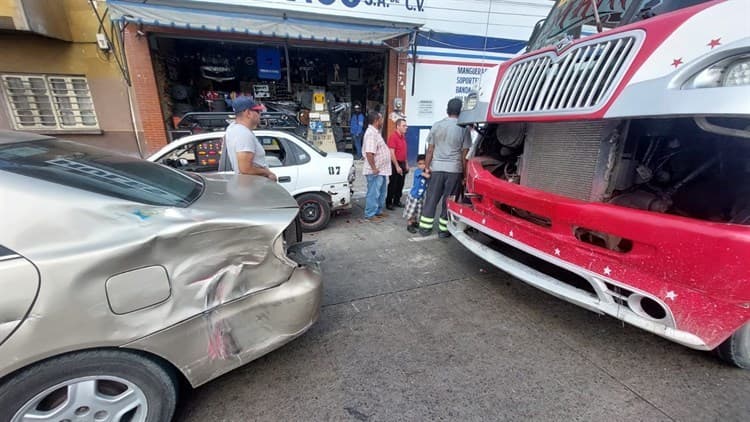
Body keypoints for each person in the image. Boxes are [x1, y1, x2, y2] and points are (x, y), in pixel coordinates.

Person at [419, 98, 472, 238]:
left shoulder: (436, 126)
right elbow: (464, 154)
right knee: (449, 201)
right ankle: (444, 230)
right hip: (454, 171)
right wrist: (465, 175)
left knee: (431, 198)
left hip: (436, 169)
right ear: (460, 111)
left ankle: (424, 228)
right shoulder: (464, 129)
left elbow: (430, 150)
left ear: (447, 110)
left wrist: (427, 167)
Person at [218, 96, 277, 181]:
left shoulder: (232, 128)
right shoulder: (244, 134)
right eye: (257, 111)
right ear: (248, 113)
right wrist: (267, 173)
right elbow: (245, 169)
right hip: (254, 187)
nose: (260, 114)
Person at [362, 111, 391, 221]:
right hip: (375, 171)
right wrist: (374, 168)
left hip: (382, 170)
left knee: (382, 192)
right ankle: (370, 214)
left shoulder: (376, 132)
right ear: (376, 121)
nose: (382, 121)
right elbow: (369, 153)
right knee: (373, 193)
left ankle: (378, 211)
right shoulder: (371, 134)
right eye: (381, 119)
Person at [403, 154, 430, 233]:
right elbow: (427, 176)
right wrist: (428, 170)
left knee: (417, 210)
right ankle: (409, 224)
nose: (422, 166)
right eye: (420, 164)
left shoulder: (424, 171)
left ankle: (414, 222)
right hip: (413, 196)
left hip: (420, 196)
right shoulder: (417, 171)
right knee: (411, 211)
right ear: (417, 164)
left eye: (424, 164)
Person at [386, 118, 408, 210]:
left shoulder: (403, 137)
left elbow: (404, 151)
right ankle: (389, 202)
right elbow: (392, 153)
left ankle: (397, 200)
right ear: (398, 126)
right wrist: (397, 166)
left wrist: (406, 164)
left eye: (406, 126)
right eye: (404, 126)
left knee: (401, 183)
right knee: (393, 184)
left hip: (402, 162)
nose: (406, 127)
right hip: (395, 163)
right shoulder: (393, 137)